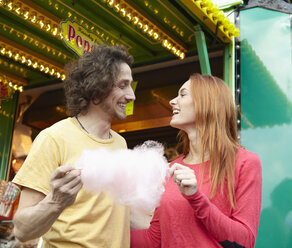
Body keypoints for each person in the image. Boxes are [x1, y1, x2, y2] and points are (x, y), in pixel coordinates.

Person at [12, 44, 136, 247]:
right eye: (122, 85)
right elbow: (22, 230)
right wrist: (56, 201)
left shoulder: (120, 143)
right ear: (98, 87)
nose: (132, 95)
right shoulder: (54, 138)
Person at [131, 73, 262, 248]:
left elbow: (245, 241)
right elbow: (154, 240)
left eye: (182, 94)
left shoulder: (245, 162)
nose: (172, 101)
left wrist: (195, 197)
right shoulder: (171, 169)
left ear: (206, 103)